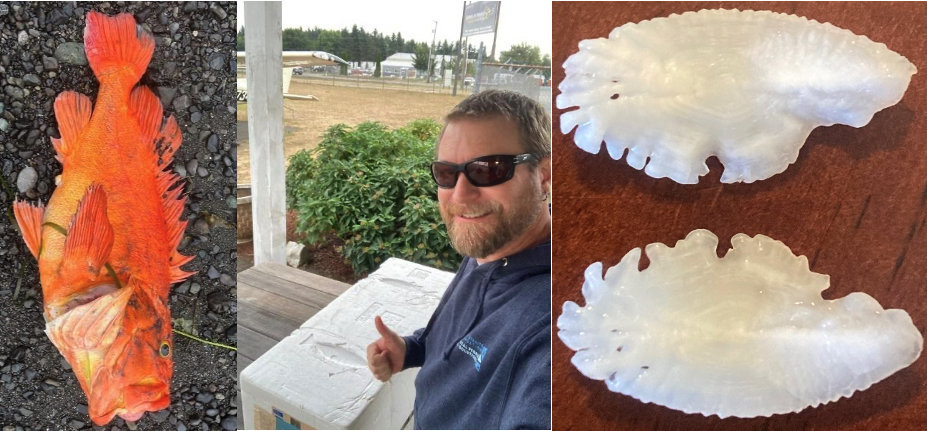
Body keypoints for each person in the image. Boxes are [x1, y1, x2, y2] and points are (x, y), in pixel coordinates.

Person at [366, 89, 552, 430]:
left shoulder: (553, 323)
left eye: (489, 169)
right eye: (447, 174)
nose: (461, 195)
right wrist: (412, 349)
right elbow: (461, 334)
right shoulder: (491, 247)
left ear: (544, 175)